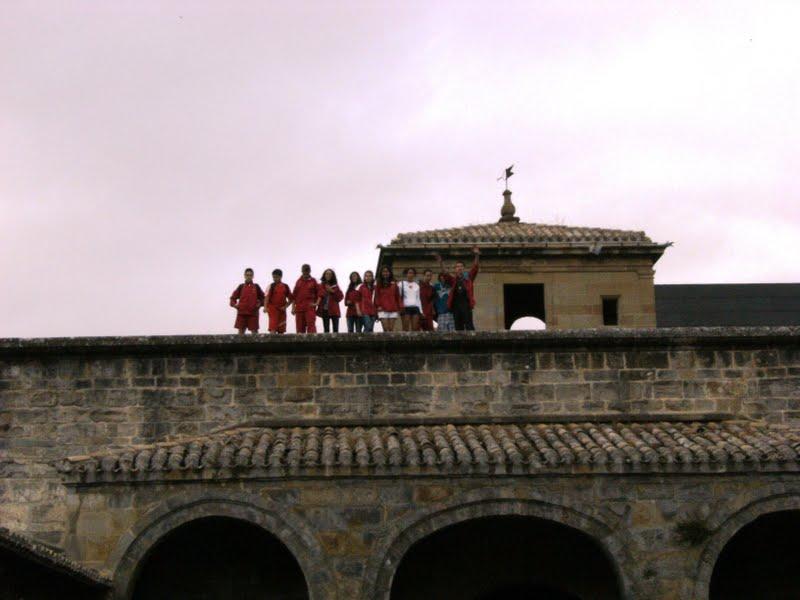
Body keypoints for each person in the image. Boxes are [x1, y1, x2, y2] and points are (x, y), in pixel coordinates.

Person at [436, 247, 480, 331]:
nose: (459, 268)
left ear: (464, 268)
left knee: (469, 325)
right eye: (457, 267)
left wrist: (477, 255)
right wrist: (441, 262)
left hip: (466, 305)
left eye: (461, 266)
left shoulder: (469, 278)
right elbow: (445, 273)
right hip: (456, 306)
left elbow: (475, 267)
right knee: (458, 327)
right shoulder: (453, 280)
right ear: (455, 269)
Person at [229, 268, 265, 335]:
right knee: (240, 334)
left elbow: (264, 298)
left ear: (253, 276)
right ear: (244, 276)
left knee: (255, 334)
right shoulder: (241, 286)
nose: (249, 277)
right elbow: (232, 298)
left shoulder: (256, 287)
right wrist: (235, 305)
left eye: (250, 275)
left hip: (253, 314)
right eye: (247, 275)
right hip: (242, 313)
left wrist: (259, 304)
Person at [291, 264, 319, 334]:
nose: (306, 272)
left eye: (307, 270)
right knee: (300, 329)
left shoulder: (313, 281)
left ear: (310, 271)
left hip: (310, 307)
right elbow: (294, 296)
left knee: (311, 327)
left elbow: (320, 293)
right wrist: (293, 308)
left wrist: (316, 303)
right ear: (302, 271)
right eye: (304, 270)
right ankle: (300, 344)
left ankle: (313, 343)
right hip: (299, 308)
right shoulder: (298, 282)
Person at [264, 268, 293, 334]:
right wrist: (265, 307)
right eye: (273, 277)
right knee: (273, 328)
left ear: (280, 277)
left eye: (276, 277)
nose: (275, 279)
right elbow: (266, 297)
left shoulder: (285, 286)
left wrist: (285, 306)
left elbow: (291, 299)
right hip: (273, 309)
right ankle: (271, 343)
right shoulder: (271, 286)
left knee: (281, 330)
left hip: (282, 311)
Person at [374, 266, 402, 332]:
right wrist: (378, 306)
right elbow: (377, 296)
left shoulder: (394, 283)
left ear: (390, 273)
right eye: (384, 271)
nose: (385, 273)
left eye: (387, 271)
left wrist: (400, 307)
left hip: (393, 308)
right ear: (381, 273)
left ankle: (391, 343)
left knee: (391, 330)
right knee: (386, 329)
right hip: (382, 309)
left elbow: (397, 296)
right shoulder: (378, 283)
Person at [317, 268, 344, 333]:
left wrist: (332, 291)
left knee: (335, 330)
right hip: (324, 310)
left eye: (330, 274)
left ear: (332, 276)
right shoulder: (320, 286)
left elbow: (340, 297)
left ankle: (336, 343)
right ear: (324, 275)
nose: (328, 275)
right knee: (326, 330)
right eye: (327, 274)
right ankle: (327, 343)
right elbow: (317, 296)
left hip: (334, 310)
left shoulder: (335, 286)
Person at [398, 267, 422, 332]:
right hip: (405, 308)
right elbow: (398, 297)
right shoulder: (401, 284)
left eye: (412, 273)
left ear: (414, 275)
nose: (410, 275)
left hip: (415, 308)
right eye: (409, 273)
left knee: (415, 329)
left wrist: (421, 311)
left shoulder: (417, 285)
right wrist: (399, 308)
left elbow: (418, 298)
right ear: (406, 274)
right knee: (405, 329)